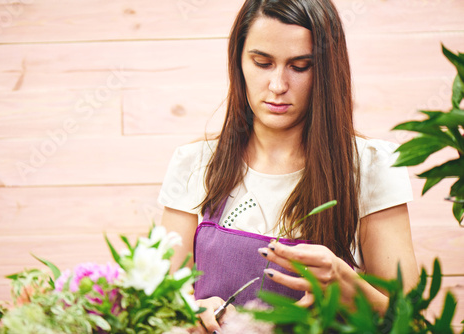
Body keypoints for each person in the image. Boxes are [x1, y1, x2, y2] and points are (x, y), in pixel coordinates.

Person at [158, 0, 419, 332]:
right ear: (238, 62)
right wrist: (189, 311)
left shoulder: (372, 166)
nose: (278, 85)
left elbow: (411, 321)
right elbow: (159, 304)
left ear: (326, 68)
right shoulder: (194, 163)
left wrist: (348, 288)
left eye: (300, 66)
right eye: (262, 63)